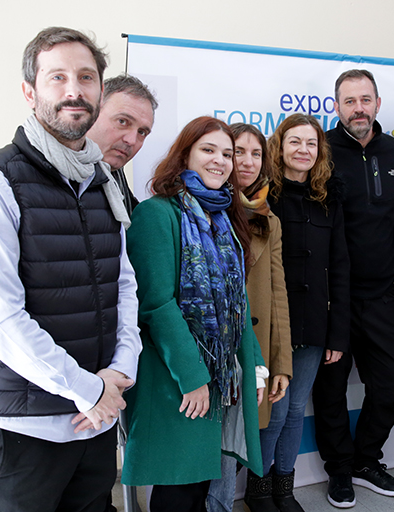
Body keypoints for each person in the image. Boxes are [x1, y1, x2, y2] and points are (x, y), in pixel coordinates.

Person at [0, 27, 141, 511]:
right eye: (58, 77)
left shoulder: (102, 181)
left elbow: (123, 284)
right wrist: (88, 389)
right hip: (26, 426)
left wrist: (121, 369)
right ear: (30, 92)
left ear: (99, 90)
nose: (74, 90)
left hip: (95, 415)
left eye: (87, 77)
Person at [0, 73, 157, 442]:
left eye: (142, 132)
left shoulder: (109, 180)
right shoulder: (8, 171)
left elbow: (119, 268)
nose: (131, 140)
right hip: (4, 365)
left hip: (79, 365)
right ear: (91, 109)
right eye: (123, 122)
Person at [122, 116, 267, 512]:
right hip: (176, 377)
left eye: (227, 154)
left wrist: (253, 363)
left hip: (217, 375)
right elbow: (156, 304)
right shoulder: (157, 214)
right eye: (208, 150)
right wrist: (193, 377)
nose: (220, 160)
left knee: (200, 482)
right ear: (184, 155)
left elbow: (237, 302)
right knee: (178, 487)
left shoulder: (223, 218)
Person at [313, 69, 394, 508]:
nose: (359, 109)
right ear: (337, 106)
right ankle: (339, 470)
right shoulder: (320, 151)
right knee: (330, 390)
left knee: (390, 382)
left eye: (365, 100)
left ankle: (365, 460)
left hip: (380, 297)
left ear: (377, 103)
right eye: (350, 101)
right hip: (332, 298)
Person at [249, 114, 352, 512]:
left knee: (294, 410)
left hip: (314, 324)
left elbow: (340, 266)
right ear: (279, 147)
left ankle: (284, 488)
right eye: (295, 141)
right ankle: (258, 490)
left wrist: (337, 333)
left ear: (320, 151)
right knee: (273, 411)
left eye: (311, 143)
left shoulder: (329, 198)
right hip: (273, 324)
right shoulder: (263, 196)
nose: (303, 150)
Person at [206, 123, 294, 512]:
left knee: (234, 444)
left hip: (251, 351)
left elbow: (277, 293)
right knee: (206, 444)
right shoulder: (198, 208)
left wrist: (281, 362)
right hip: (208, 350)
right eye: (236, 152)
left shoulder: (268, 220)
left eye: (255, 154)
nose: (246, 161)